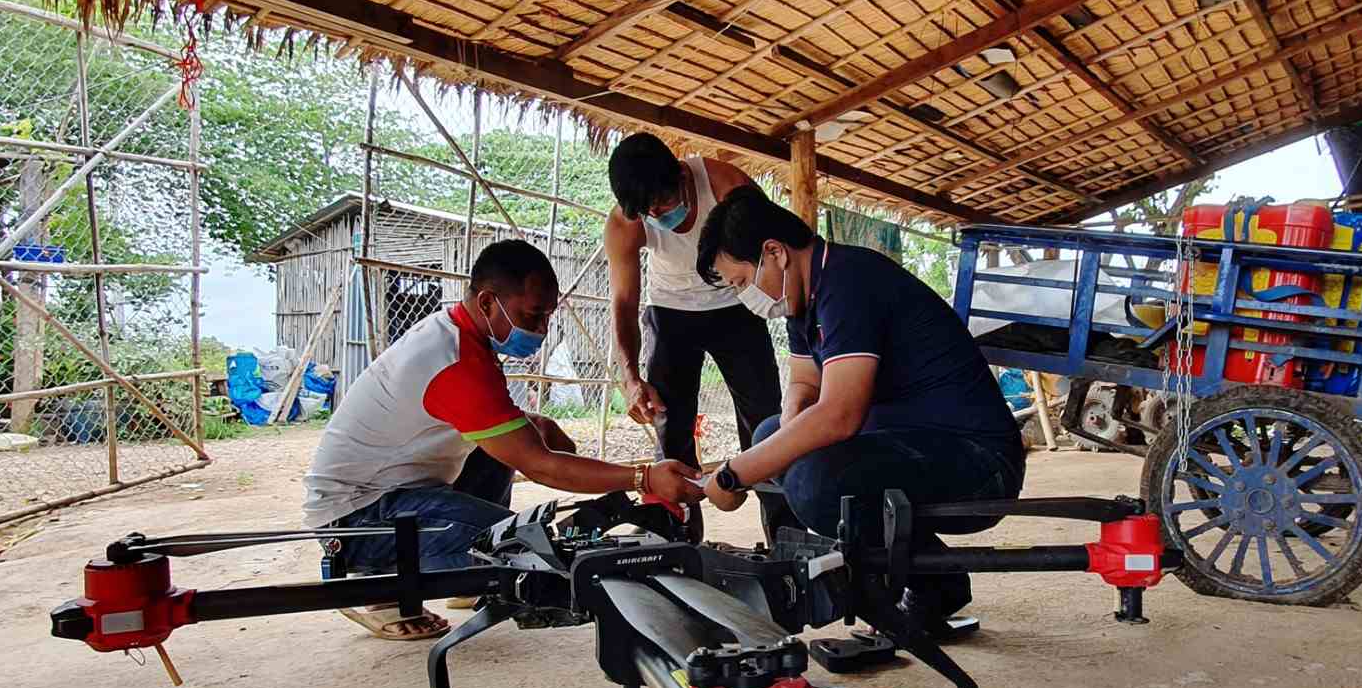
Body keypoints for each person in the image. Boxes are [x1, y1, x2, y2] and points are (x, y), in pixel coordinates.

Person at [304, 239, 704, 641]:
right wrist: (644, 478)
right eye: (532, 315)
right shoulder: (454, 362)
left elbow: (498, 425)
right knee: (524, 553)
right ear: (487, 302)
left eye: (548, 315)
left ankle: (466, 573)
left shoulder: (458, 336)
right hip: (359, 521)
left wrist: (539, 427)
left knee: (508, 455)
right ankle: (384, 588)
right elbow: (541, 465)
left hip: (394, 492)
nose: (542, 329)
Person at [692, 186, 1026, 629]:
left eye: (740, 282)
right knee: (773, 435)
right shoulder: (804, 298)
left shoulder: (849, 283)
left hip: (980, 463)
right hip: (915, 441)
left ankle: (906, 586)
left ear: (774, 253)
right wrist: (791, 430)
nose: (745, 296)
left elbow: (839, 414)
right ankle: (935, 580)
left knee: (817, 484)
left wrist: (733, 474)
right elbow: (805, 381)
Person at [604, 132, 799, 540]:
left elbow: (771, 258)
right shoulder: (627, 221)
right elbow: (624, 301)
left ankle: (788, 532)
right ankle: (675, 537)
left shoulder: (728, 186)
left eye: (663, 203)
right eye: (647, 212)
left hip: (736, 306)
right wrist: (630, 376)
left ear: (679, 175)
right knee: (669, 423)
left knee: (765, 420)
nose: (657, 215)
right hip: (671, 312)